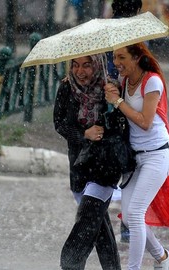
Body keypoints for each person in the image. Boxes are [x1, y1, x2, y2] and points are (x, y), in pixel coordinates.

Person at [104, 43, 169, 270]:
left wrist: (118, 102)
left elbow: (145, 122)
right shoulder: (125, 82)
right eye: (114, 57)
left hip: (157, 155)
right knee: (128, 216)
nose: (116, 63)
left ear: (137, 57)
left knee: (135, 214)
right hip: (136, 159)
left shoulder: (152, 81)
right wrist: (115, 94)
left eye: (121, 57)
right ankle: (163, 257)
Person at [53, 53, 121, 270]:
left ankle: (70, 263)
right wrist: (84, 134)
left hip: (105, 165)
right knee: (99, 226)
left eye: (87, 66)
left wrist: (114, 103)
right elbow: (60, 123)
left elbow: (121, 127)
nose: (80, 71)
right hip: (79, 165)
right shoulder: (66, 88)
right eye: (75, 65)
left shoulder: (110, 89)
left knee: (88, 218)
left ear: (98, 65)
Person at [107, 0, 143, 244]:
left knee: (115, 160)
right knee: (131, 164)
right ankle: (129, 224)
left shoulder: (107, 32)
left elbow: (111, 66)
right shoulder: (138, 34)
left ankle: (103, 216)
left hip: (111, 102)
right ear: (137, 10)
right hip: (130, 102)